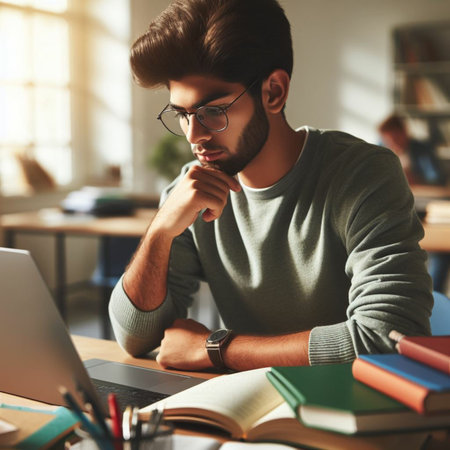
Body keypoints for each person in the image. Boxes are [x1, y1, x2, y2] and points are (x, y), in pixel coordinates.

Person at [109, 0, 433, 372]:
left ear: (274, 92)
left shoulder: (364, 175)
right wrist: (160, 231)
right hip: (242, 410)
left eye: (213, 111)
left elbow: (388, 338)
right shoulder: (191, 191)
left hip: (351, 409)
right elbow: (135, 339)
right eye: (182, 115)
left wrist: (218, 348)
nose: (194, 136)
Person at [379, 114, 449, 293]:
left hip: (425, 207)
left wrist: (413, 178)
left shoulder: (421, 150)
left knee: (440, 252)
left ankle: (433, 295)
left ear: (404, 132)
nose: (392, 142)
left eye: (395, 137)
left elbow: (437, 179)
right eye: (388, 139)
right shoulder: (379, 150)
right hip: (393, 208)